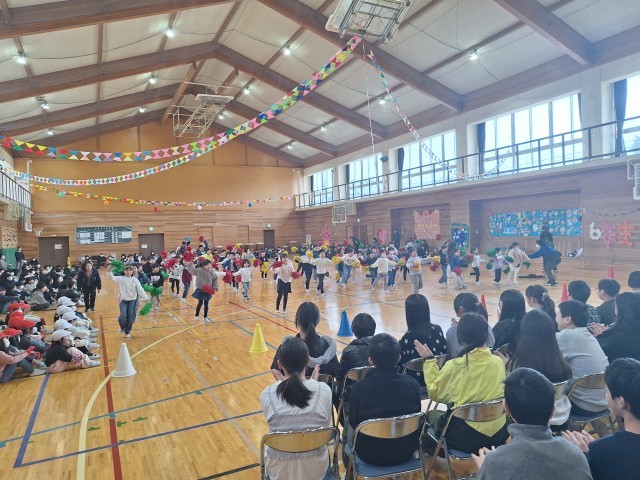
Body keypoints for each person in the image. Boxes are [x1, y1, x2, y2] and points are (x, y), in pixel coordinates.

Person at [473, 368, 592, 480]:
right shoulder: (575, 454)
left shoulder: (494, 463)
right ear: (552, 411)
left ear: (506, 409)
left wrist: (484, 469)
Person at [415, 313, 509, 454]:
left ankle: (432, 459)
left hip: (465, 437)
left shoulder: (456, 365)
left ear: (461, 338)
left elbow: (435, 393)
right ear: (486, 334)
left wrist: (429, 361)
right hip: (499, 435)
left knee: (431, 415)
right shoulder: (498, 362)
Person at [260, 337, 332, 480]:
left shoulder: (267, 394)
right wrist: (314, 383)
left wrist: (282, 381)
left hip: (279, 473)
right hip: (316, 471)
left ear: (280, 364)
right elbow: (324, 426)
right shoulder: (324, 390)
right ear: (308, 361)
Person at [348, 333, 421, 466]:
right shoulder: (412, 384)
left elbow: (354, 422)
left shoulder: (360, 387)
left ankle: (349, 468)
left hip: (369, 454)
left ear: (370, 360)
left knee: (348, 428)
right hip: (406, 451)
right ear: (399, 358)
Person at [562, 358, 640, 480]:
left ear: (621, 402)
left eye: (606, 391)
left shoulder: (602, 451)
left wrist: (586, 455)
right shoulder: (602, 449)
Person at [499, 310, 573, 430]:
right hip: (561, 417)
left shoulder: (518, 365)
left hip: (530, 422)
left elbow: (512, 393)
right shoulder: (560, 362)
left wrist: (507, 365)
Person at [556, 300, 609, 415]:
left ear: (568, 319)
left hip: (583, 405)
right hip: (605, 401)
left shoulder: (565, 336)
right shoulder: (588, 335)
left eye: (557, 314)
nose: (555, 318)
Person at [271, 302, 339, 378]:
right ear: (317, 322)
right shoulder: (328, 347)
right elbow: (335, 372)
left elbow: (276, 370)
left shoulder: (287, 346)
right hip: (321, 385)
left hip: (291, 386)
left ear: (298, 322)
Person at [399, 294, 447, 388]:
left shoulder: (407, 338)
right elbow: (444, 352)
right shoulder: (437, 330)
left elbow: (402, 365)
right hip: (438, 380)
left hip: (415, 385)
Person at [336, 313, 376, 407]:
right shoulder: (383, 347)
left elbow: (340, 378)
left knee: (333, 388)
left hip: (357, 396)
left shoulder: (349, 351)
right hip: (380, 391)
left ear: (354, 331)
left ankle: (344, 415)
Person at [589, 292, 640, 362]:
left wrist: (601, 337)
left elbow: (608, 352)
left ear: (621, 309)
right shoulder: (631, 328)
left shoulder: (620, 336)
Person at [446, 292, 494, 358]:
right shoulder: (487, 326)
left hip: (461, 363)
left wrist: (455, 328)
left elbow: (451, 352)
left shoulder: (452, 331)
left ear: (461, 309)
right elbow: (491, 344)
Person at [108, 264, 148, 338]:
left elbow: (140, 289)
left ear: (132, 271)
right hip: (123, 301)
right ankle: (122, 327)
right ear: (124, 271)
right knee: (123, 316)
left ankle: (127, 332)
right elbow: (111, 277)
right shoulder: (120, 278)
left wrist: (145, 297)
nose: (128, 272)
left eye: (130, 270)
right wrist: (110, 271)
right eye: (127, 270)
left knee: (131, 318)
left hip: (133, 301)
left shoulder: (135, 280)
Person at [184, 259, 219, 323]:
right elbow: (192, 271)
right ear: (203, 265)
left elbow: (215, 280)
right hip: (201, 289)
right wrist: (190, 263)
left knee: (206, 303)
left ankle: (205, 317)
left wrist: (215, 288)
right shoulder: (199, 270)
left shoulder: (212, 272)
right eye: (207, 265)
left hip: (208, 290)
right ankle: (197, 315)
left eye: (210, 265)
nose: (209, 266)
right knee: (200, 303)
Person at [492, 289, 526, 353]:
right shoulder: (528, 322)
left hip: (504, 358)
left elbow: (492, 345)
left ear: (505, 306)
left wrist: (500, 323)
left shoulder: (502, 326)